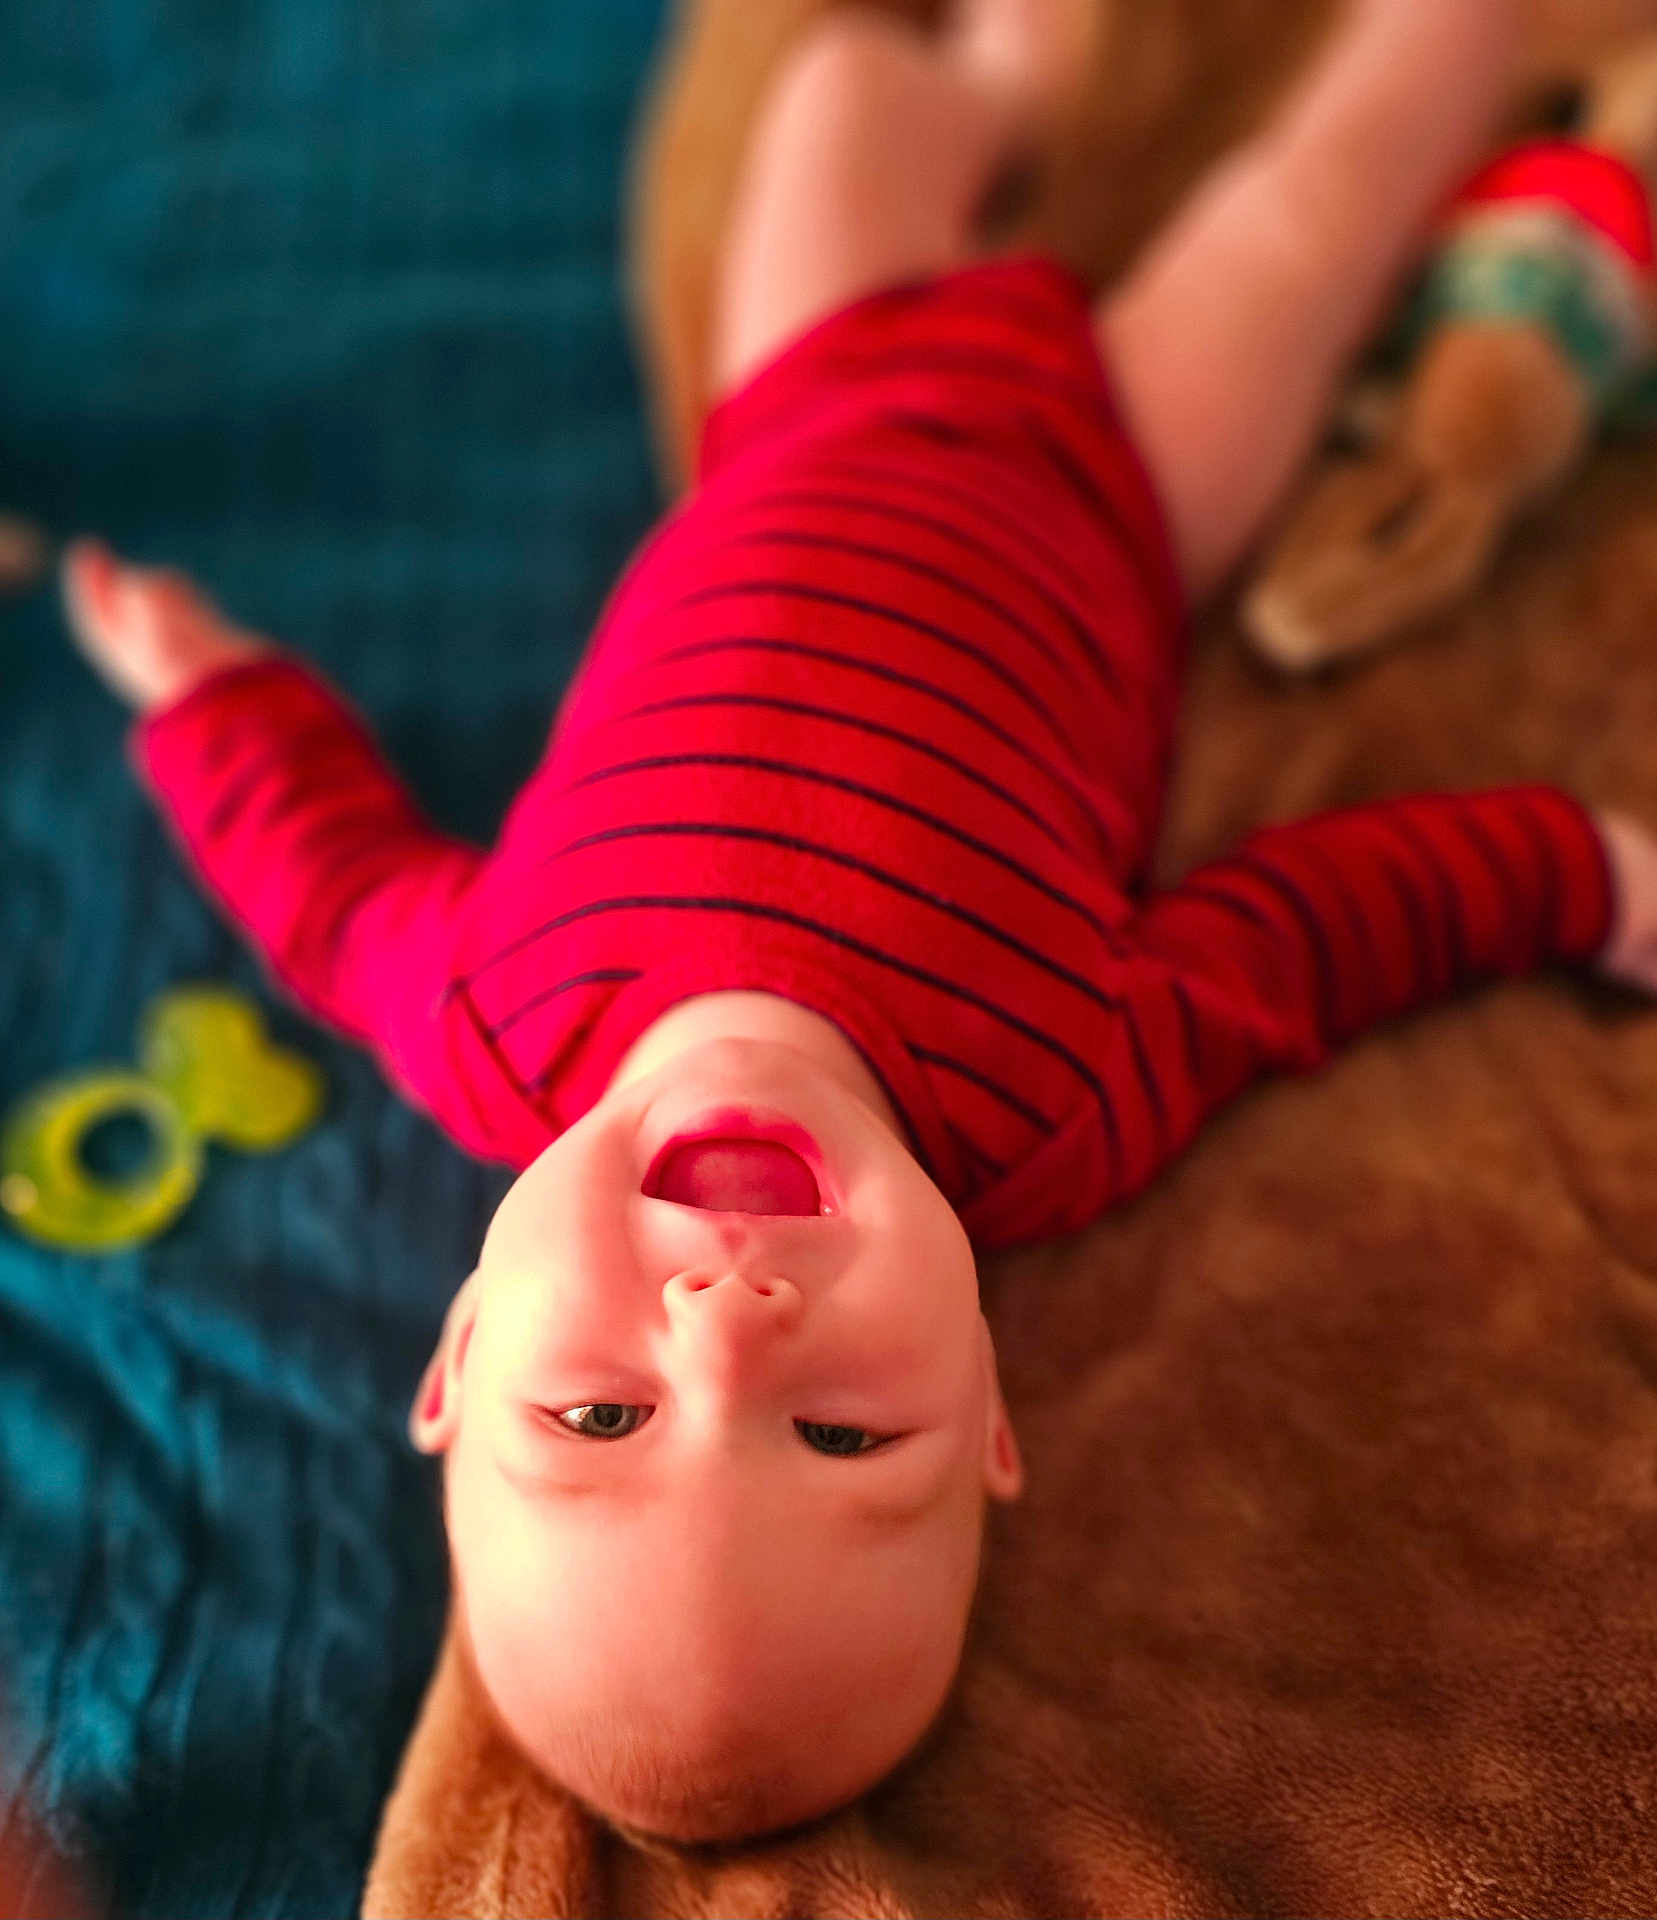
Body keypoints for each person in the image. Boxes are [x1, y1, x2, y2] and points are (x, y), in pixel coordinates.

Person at [58, 0, 1657, 1847]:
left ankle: (1005, 89)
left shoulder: (483, 1014)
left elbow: (323, 887)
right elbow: (1330, 928)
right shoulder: (1062, 1094)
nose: (729, 1329)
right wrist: (1588, 878)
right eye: (840, 1435)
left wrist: (205, 697)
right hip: (1117, 480)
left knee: (838, 95)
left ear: (461, 1348)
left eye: (596, 1418)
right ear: (987, 1408)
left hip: (799, 405)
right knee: (1312, 209)